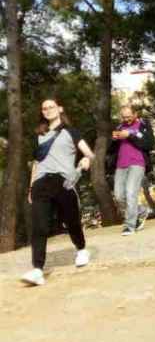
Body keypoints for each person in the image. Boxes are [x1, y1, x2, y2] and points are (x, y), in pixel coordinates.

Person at [20, 98, 95, 286]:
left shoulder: (71, 132)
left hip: (64, 182)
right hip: (41, 184)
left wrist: (86, 161)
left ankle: (81, 249)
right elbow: (36, 163)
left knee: (71, 221)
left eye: (51, 107)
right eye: (44, 108)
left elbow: (89, 154)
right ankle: (38, 269)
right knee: (40, 226)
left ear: (59, 109)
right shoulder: (38, 136)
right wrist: (31, 187)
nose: (47, 110)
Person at [110, 104, 155, 235]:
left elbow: (149, 144)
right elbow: (111, 150)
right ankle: (141, 211)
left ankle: (130, 226)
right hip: (120, 165)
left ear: (135, 114)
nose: (126, 120)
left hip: (137, 163)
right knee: (118, 196)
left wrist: (129, 135)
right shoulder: (119, 127)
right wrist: (114, 140)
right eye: (123, 117)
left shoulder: (143, 124)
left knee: (130, 193)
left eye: (129, 117)